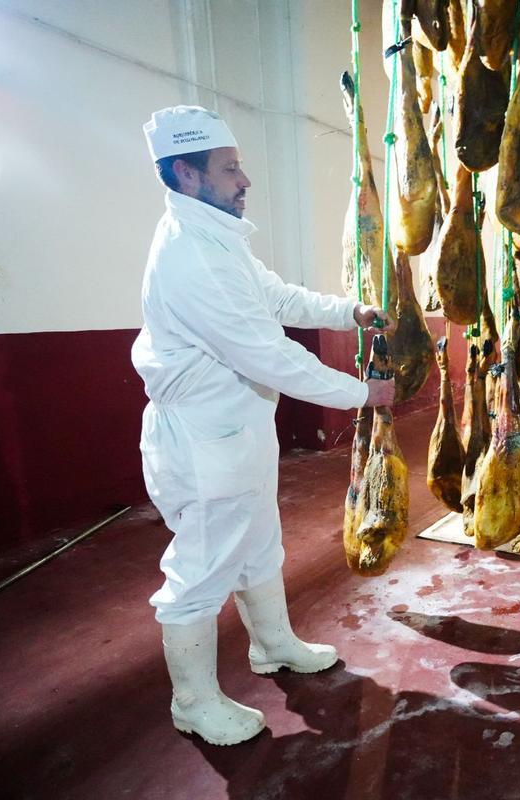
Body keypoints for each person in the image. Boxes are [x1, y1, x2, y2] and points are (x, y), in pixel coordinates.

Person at [133, 105, 392, 746]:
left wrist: (349, 311)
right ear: (187, 176)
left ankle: (272, 645)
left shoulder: (220, 239)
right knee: (200, 568)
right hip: (202, 440)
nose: (244, 179)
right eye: (230, 169)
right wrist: (363, 392)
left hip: (238, 429)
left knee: (257, 545)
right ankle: (193, 702)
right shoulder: (191, 256)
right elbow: (266, 353)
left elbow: (278, 298)